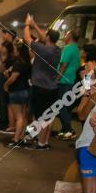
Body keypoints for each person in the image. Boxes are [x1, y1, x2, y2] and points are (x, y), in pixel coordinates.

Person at [23, 15, 62, 150]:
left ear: (48, 38)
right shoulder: (57, 50)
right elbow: (46, 37)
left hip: (40, 87)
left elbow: (27, 39)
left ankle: (39, 143)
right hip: (52, 88)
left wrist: (27, 25)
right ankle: (44, 142)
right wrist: (34, 24)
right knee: (48, 116)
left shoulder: (43, 50)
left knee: (40, 117)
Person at [4, 43, 32, 148]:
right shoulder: (27, 63)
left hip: (16, 91)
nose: (14, 51)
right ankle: (21, 137)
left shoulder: (18, 63)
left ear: (19, 51)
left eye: (15, 49)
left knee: (18, 117)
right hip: (25, 90)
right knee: (23, 116)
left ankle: (16, 139)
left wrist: (5, 84)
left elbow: (14, 77)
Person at [56, 30, 81, 140]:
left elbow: (63, 65)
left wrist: (56, 78)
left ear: (69, 36)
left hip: (63, 81)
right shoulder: (76, 49)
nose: (64, 36)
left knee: (61, 106)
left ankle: (69, 130)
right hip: (70, 80)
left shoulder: (68, 48)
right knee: (64, 106)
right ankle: (65, 129)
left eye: (66, 34)